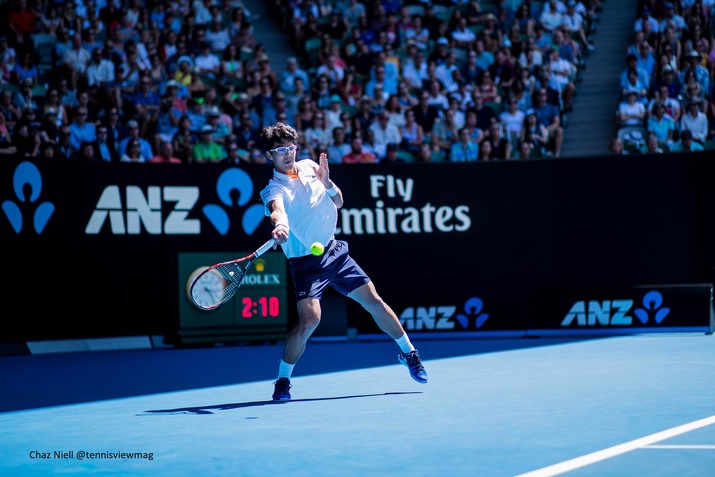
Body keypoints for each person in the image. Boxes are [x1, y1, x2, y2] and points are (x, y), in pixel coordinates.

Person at [258, 122, 427, 401]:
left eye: (290, 148)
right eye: (279, 150)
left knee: (374, 302)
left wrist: (327, 184)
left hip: (334, 252)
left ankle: (409, 353)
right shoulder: (273, 189)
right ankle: (282, 381)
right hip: (305, 263)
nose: (287, 154)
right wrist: (280, 225)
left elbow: (338, 201)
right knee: (310, 320)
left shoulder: (312, 167)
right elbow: (277, 211)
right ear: (270, 156)